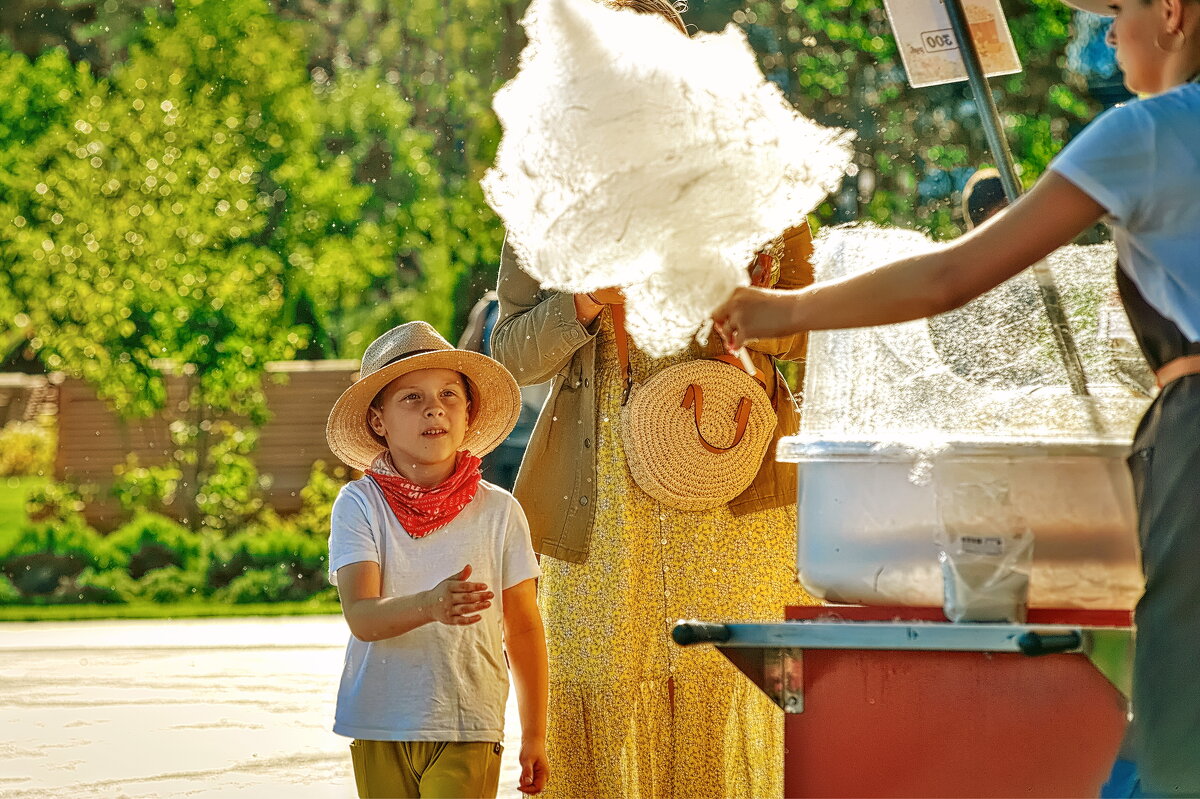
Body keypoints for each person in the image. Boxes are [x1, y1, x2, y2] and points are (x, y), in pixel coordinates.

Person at [714, 0, 1200, 791]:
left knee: (1183, 724)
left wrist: (786, 310)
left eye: (1117, 11)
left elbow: (949, 277)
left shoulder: (1143, 133)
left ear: (1172, 12)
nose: (1109, 35)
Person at [492, 5, 821, 795]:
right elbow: (506, 356)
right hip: (598, 488)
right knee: (602, 684)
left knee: (728, 686)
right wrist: (582, 304)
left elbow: (813, 338)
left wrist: (745, 307)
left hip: (732, 480)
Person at [324, 321, 550, 798]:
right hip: (378, 720)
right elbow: (362, 617)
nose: (435, 407)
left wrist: (534, 734)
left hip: (469, 721)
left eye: (450, 394)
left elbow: (524, 627)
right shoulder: (359, 504)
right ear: (378, 421)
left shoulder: (499, 511)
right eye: (412, 397)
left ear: (469, 414)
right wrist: (430, 605)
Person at [458, 291, 551, 491]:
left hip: (536, 439)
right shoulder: (490, 306)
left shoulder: (562, 304)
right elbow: (463, 366)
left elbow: (463, 365)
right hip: (496, 436)